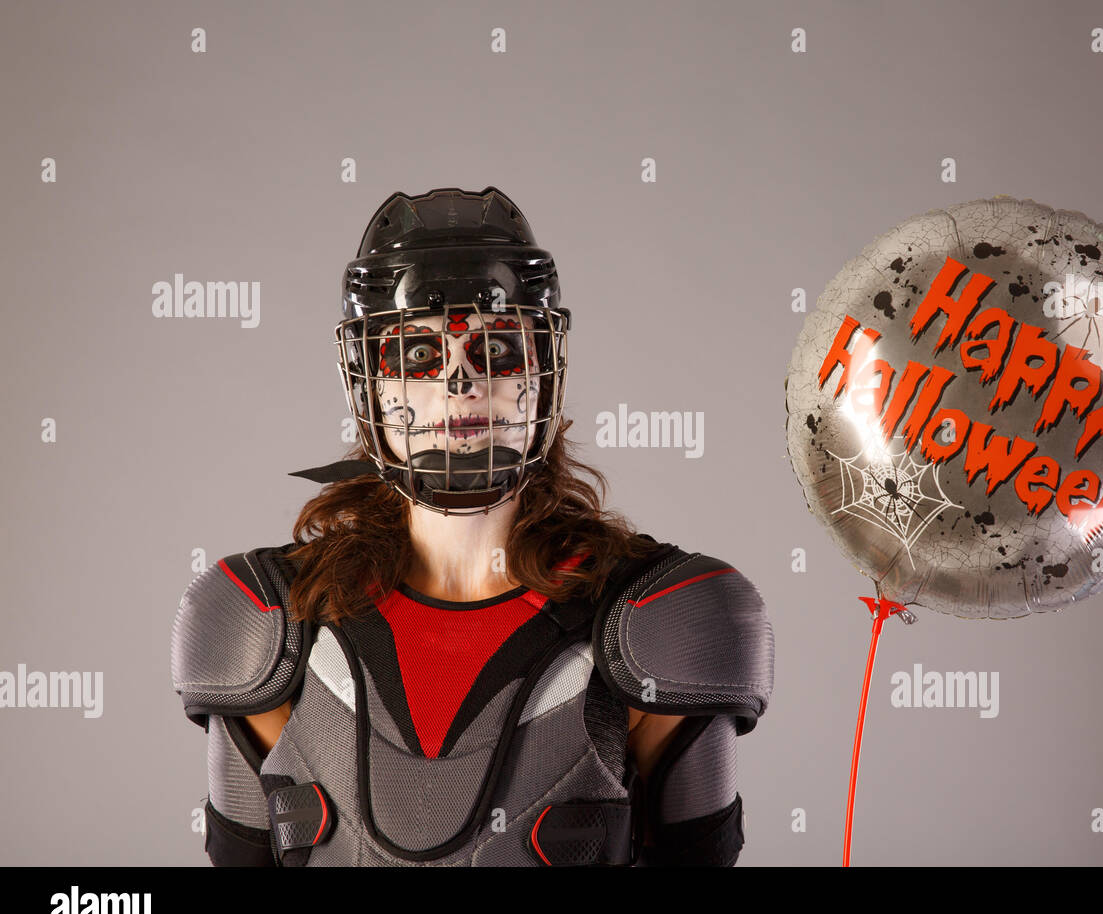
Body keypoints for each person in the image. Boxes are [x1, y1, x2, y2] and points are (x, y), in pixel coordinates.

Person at [169, 186, 774, 866]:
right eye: (418, 357)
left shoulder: (659, 620)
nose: (460, 384)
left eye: (498, 350)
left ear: (544, 375)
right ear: (369, 385)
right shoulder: (265, 621)